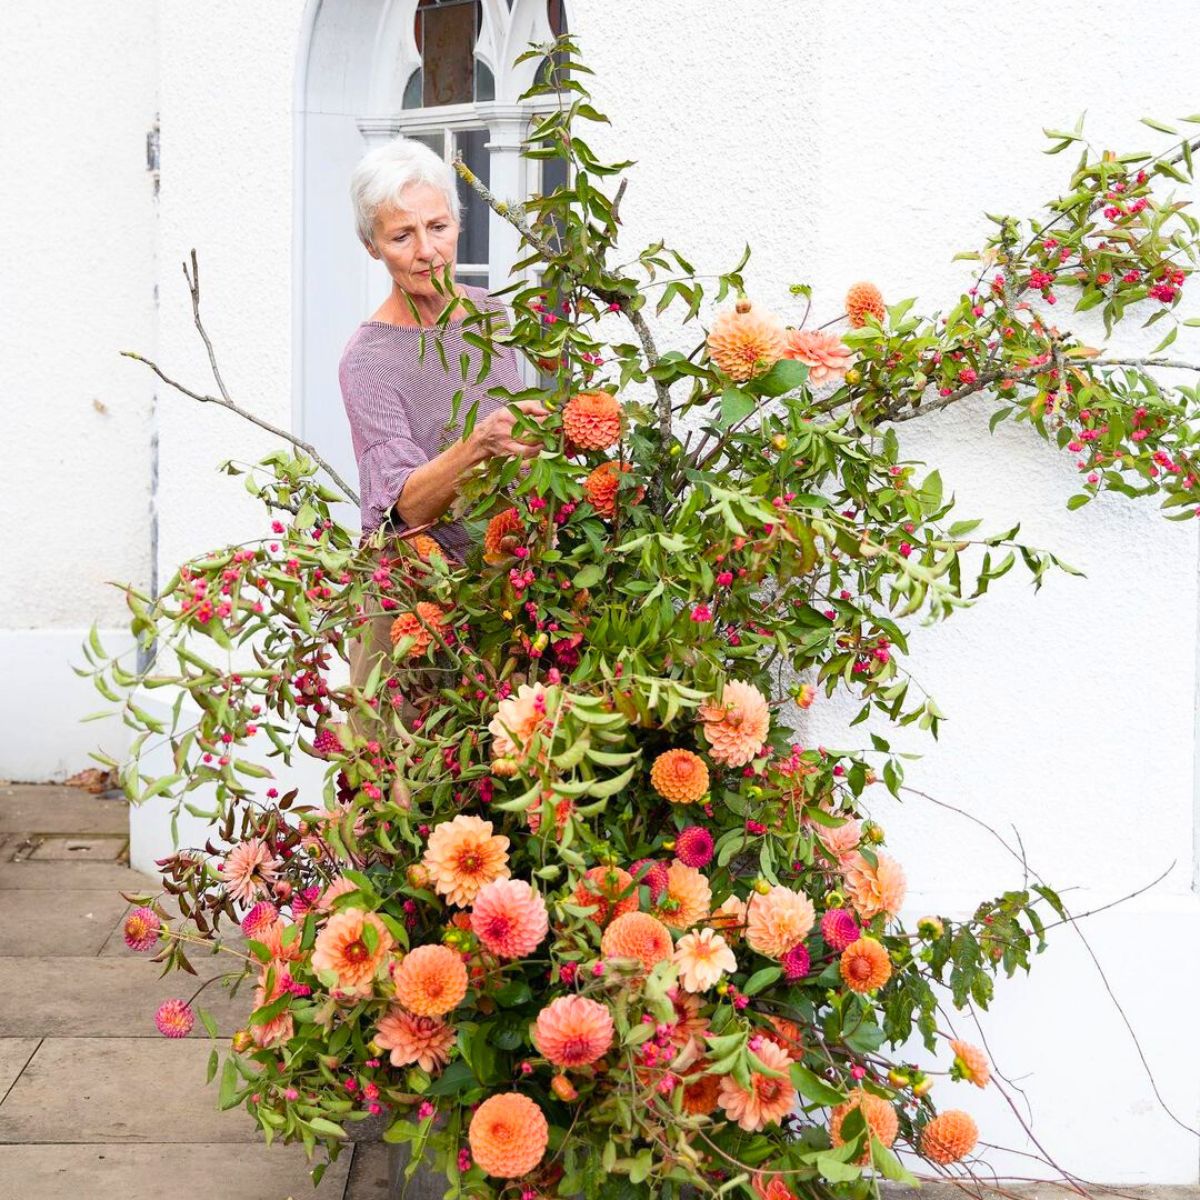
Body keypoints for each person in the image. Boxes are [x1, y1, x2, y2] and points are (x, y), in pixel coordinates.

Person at [339, 136, 546, 699]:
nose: (427, 250)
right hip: (411, 600)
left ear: (457, 223)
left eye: (438, 227)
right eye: (402, 236)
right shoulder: (369, 359)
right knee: (400, 773)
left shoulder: (495, 318)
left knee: (502, 760)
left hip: (501, 585)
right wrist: (480, 442)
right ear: (371, 246)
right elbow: (405, 504)